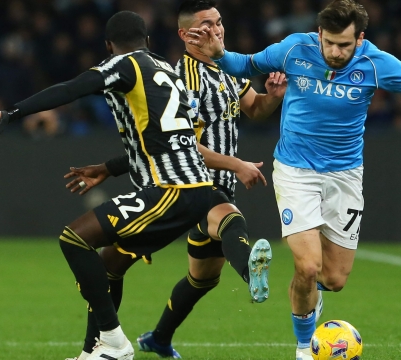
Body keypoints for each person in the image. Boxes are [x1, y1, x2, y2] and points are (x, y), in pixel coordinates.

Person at [185, 1, 401, 359]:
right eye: (329, 42)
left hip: (344, 175)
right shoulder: (294, 49)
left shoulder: (377, 63)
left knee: (333, 279)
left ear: (360, 38)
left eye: (344, 45)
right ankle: (304, 348)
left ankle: (309, 302)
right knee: (307, 267)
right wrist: (221, 55)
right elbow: (247, 64)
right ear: (319, 34)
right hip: (295, 170)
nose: (335, 52)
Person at [0, 11, 213, 360]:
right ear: (148, 40)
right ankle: (93, 351)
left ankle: (114, 341)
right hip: (190, 187)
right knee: (109, 264)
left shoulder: (123, 65)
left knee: (75, 237)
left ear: (109, 46)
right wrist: (108, 169)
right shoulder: (168, 73)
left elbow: (72, 88)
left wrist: (12, 113)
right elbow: (163, 140)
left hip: (170, 189)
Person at [61, 1, 287, 358]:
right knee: (229, 220)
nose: (217, 30)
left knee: (202, 277)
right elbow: (180, 143)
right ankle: (250, 272)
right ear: (185, 34)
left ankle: (157, 339)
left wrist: (274, 98)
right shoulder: (181, 79)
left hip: (210, 186)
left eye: (219, 22)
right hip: (185, 183)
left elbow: (255, 109)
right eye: (206, 25)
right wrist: (236, 164)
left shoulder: (230, 69)